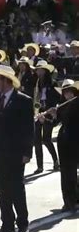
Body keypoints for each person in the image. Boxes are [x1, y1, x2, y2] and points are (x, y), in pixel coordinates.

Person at [0, 65, 34, 232]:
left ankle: (23, 224)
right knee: (2, 189)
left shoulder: (23, 100)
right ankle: (7, 223)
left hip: (16, 152)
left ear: (7, 81)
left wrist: (27, 151)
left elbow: (29, 128)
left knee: (17, 188)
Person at [49, 79, 79, 212]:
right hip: (64, 141)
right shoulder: (63, 105)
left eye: (70, 92)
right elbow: (57, 122)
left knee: (72, 172)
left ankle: (73, 200)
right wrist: (50, 116)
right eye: (65, 92)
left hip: (75, 140)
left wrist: (58, 112)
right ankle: (67, 200)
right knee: (65, 172)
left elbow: (71, 120)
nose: (68, 95)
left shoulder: (77, 104)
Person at [32, 60, 60, 174]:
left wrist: (50, 112)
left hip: (49, 112)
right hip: (40, 111)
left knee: (47, 139)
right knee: (37, 140)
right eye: (37, 69)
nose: (37, 71)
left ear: (45, 71)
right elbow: (37, 98)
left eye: (39, 69)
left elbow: (57, 99)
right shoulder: (38, 83)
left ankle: (55, 160)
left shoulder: (53, 83)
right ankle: (40, 166)